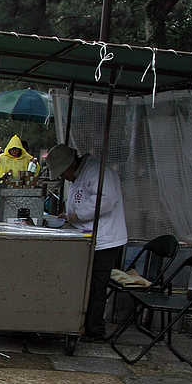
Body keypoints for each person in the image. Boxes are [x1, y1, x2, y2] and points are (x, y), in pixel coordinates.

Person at [49, 143, 128, 340]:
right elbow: (79, 200)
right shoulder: (80, 175)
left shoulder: (97, 172)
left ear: (71, 164)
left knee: (96, 285)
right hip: (88, 236)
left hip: (104, 238)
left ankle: (94, 329)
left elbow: (106, 200)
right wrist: (69, 216)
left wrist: (77, 216)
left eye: (62, 172)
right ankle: (82, 321)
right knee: (86, 282)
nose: (62, 177)